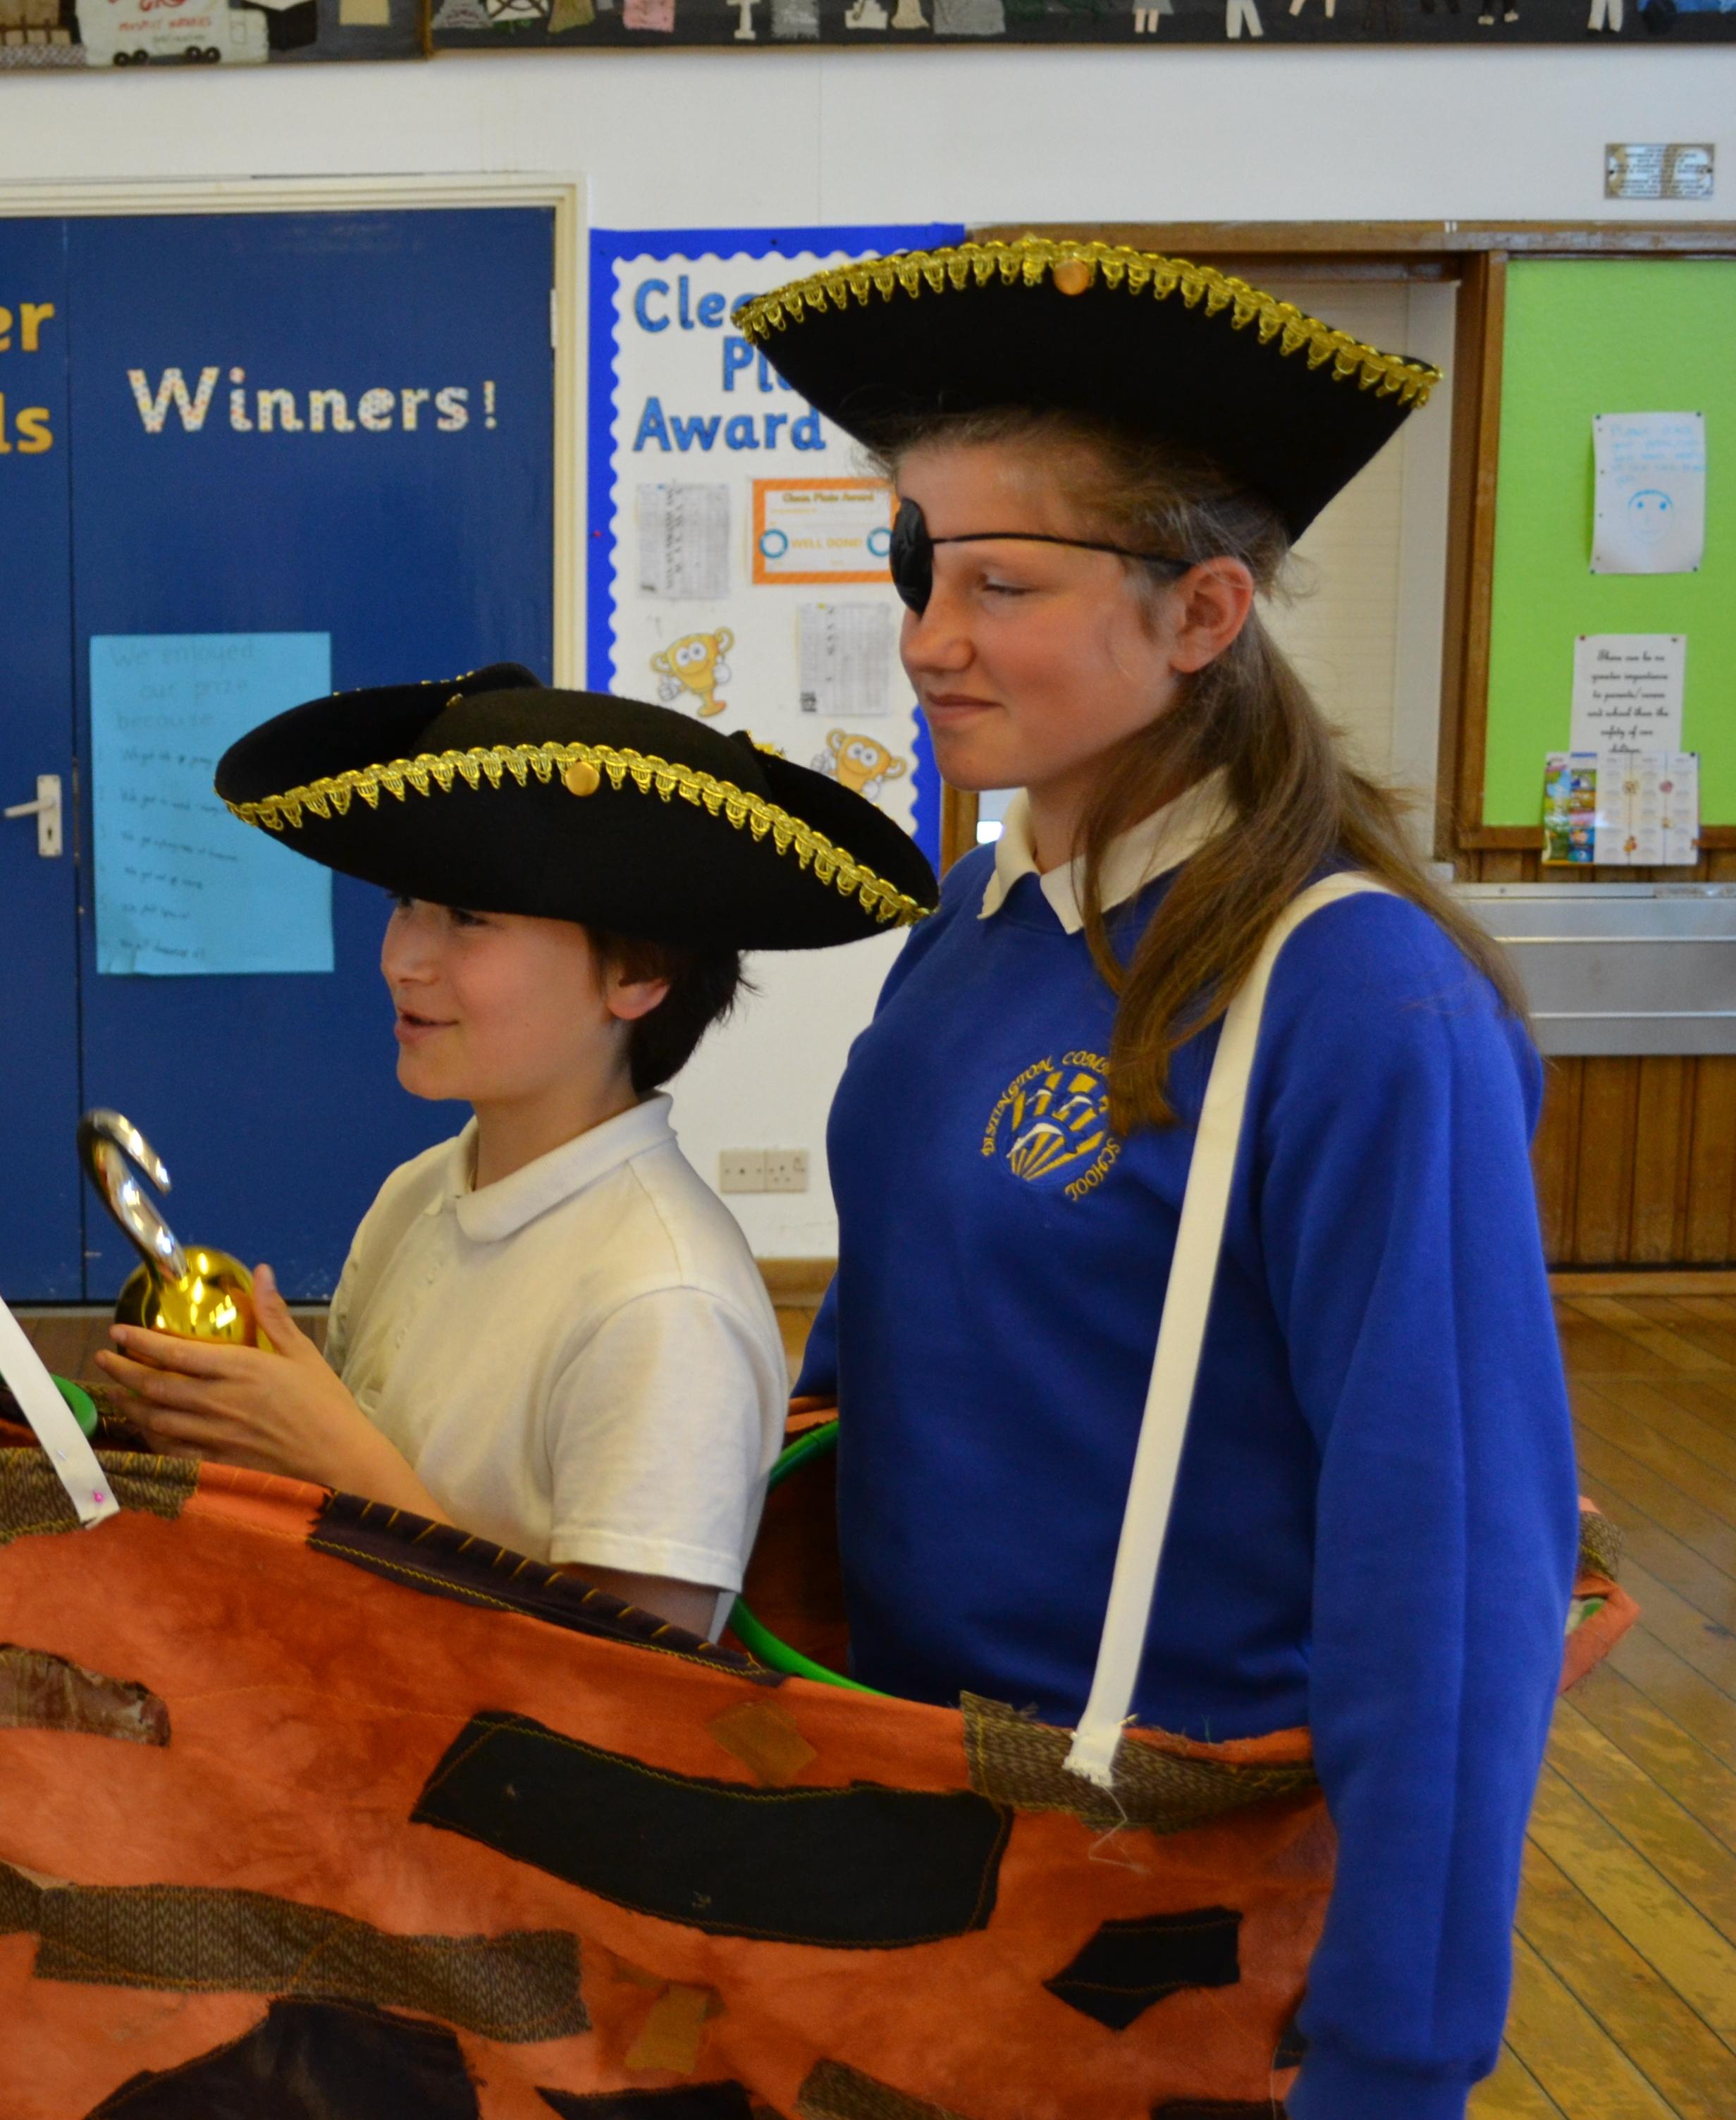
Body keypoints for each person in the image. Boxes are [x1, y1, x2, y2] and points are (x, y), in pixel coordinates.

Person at [738, 238, 1576, 2116]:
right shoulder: (973, 925)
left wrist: (1395, 2058)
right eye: (918, 568)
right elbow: (884, 1337)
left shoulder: (1358, 1002)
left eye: (1003, 582)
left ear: (1203, 614)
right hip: (918, 1842)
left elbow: (1452, 1576)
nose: (927, 637)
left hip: (1167, 1911)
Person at [96, 670, 937, 1635]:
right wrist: (242, 1426)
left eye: (469, 918)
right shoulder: (417, 1195)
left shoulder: (664, 1300)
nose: (403, 959)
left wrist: (330, 1454)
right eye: (406, 902)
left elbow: (630, 1689)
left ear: (638, 974)